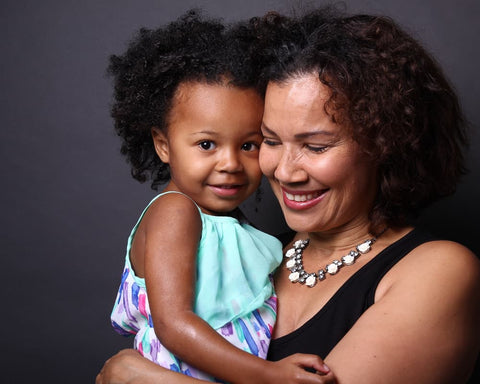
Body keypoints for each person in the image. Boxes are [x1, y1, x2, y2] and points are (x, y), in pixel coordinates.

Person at [97, 7, 480, 384]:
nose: (284, 172)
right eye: (270, 141)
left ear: (384, 143)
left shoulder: (436, 271)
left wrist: (143, 379)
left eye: (315, 147)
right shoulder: (256, 257)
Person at [105, 9, 334, 384]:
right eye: (207, 144)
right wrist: (267, 374)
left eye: (249, 144)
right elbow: (174, 324)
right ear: (163, 145)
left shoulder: (228, 224)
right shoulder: (176, 212)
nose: (230, 163)